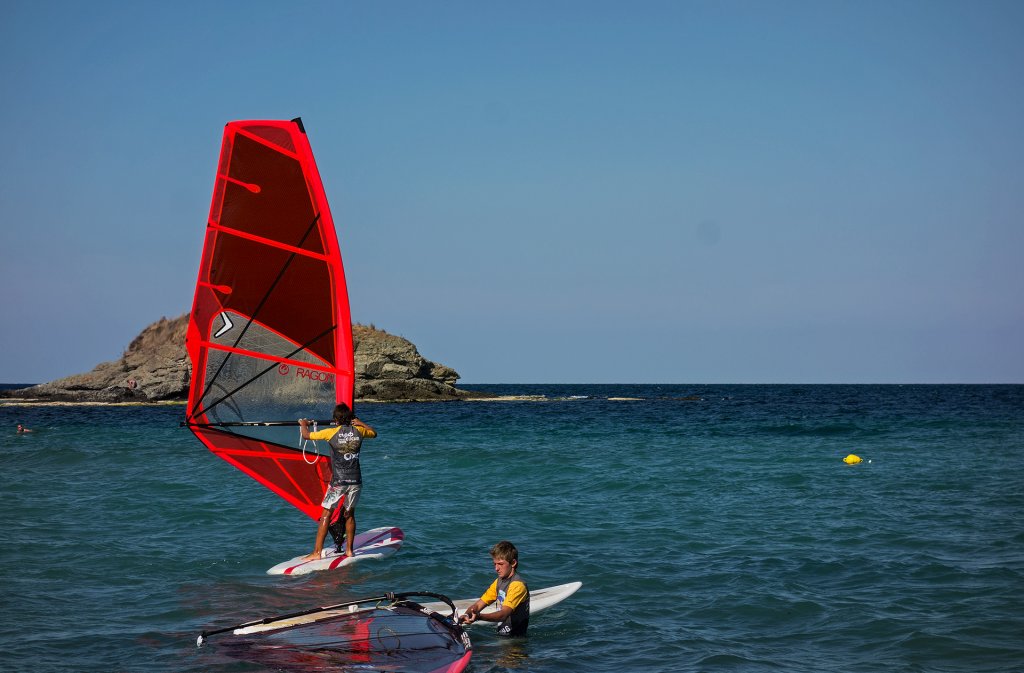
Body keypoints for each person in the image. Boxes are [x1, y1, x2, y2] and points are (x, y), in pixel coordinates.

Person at [298, 403, 376, 561]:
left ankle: (317, 553)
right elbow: (374, 433)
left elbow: (306, 436)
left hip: (338, 482)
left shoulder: (331, 432)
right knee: (350, 515)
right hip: (356, 481)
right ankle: (349, 551)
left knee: (326, 514)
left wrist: (304, 424)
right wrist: (360, 423)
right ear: (351, 418)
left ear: (336, 420)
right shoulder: (359, 431)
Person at [460, 541, 531, 637]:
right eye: (495, 564)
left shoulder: (518, 585)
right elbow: (478, 605)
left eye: (500, 564)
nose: (496, 568)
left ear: (513, 563)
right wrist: (467, 615)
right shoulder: (498, 581)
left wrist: (479, 617)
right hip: (501, 636)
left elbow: (503, 615)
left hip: (515, 641)